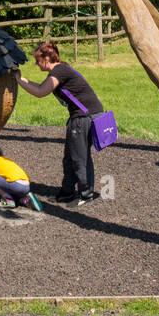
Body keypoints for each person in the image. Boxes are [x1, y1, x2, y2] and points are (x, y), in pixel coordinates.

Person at [17, 41, 104, 205]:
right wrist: (21, 79)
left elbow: (41, 92)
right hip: (83, 116)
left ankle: (86, 194)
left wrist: (19, 81)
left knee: (79, 158)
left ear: (47, 58)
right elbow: (42, 86)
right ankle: (67, 192)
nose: (36, 63)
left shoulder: (60, 70)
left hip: (84, 118)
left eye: (38, 60)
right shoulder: (60, 71)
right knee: (70, 157)